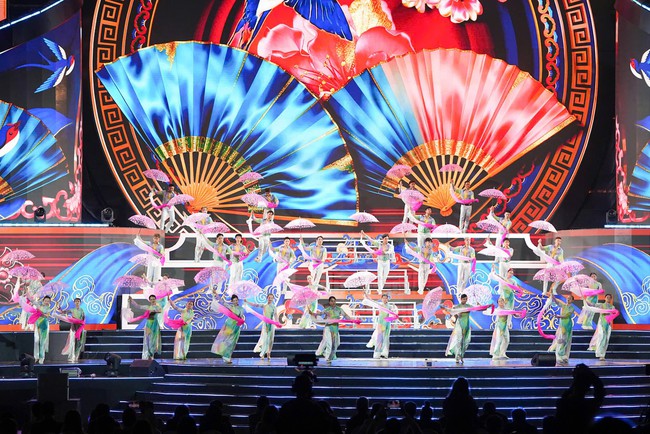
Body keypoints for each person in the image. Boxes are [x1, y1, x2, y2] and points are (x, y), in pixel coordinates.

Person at [555, 364, 605, 434]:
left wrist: (576, 382)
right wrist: (592, 376)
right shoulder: (589, 406)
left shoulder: (563, 403)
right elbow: (600, 393)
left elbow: (565, 395)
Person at [211, 294, 245, 364]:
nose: (235, 302)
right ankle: (225, 356)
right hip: (229, 325)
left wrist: (242, 320)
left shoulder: (241, 309)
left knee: (233, 342)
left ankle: (227, 356)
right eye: (234, 300)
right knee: (226, 340)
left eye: (236, 300)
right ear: (232, 301)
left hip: (236, 326)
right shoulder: (231, 307)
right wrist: (216, 295)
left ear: (238, 300)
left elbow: (241, 316)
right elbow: (223, 302)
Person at [315, 296, 350, 362]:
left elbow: (345, 315)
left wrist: (353, 320)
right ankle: (328, 358)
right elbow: (320, 313)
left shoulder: (339, 309)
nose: (333, 302)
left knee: (337, 343)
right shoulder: (327, 310)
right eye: (331, 301)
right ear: (329, 302)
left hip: (335, 328)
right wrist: (313, 313)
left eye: (334, 301)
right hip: (328, 327)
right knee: (329, 343)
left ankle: (325, 353)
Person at [129, 294, 162, 360]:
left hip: (155, 324)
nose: (152, 300)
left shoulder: (157, 307)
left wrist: (154, 310)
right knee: (148, 339)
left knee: (154, 339)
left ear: (155, 300)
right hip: (149, 324)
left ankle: (152, 354)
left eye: (153, 299)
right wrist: (131, 300)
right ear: (149, 300)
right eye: (151, 299)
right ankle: (148, 354)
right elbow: (138, 306)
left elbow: (160, 311)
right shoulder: (147, 307)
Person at [366, 294, 396, 359]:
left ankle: (384, 354)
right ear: (381, 299)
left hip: (387, 323)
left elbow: (393, 315)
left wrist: (392, 313)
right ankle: (377, 354)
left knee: (386, 338)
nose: (385, 299)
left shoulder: (390, 306)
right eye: (383, 298)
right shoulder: (380, 305)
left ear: (388, 299)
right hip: (380, 323)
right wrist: (366, 295)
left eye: (386, 298)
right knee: (379, 338)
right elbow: (372, 301)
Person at [444, 294, 472, 364]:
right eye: (464, 299)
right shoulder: (457, 307)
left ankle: (461, 356)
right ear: (461, 299)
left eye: (466, 299)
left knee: (465, 341)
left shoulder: (468, 306)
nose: (465, 300)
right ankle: (457, 357)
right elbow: (451, 311)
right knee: (459, 340)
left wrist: (486, 306)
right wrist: (447, 309)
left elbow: (478, 308)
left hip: (466, 325)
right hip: (459, 325)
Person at [548, 294, 575, 365]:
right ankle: (559, 354)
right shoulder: (563, 305)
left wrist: (558, 316)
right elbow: (557, 302)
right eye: (567, 298)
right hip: (562, 325)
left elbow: (566, 315)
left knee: (566, 340)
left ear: (572, 300)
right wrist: (553, 297)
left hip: (568, 325)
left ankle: (563, 355)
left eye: (570, 298)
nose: (568, 299)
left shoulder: (572, 308)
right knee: (561, 339)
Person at [587, 293, 615, 360]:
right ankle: (599, 353)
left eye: (609, 298)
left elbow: (612, 315)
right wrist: (586, 301)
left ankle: (602, 355)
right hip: (601, 323)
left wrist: (611, 324)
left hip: (607, 324)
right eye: (607, 297)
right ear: (605, 298)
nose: (608, 299)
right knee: (601, 337)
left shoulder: (612, 307)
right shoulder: (601, 305)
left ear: (611, 299)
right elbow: (592, 305)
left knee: (606, 339)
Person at [252, 293, 278, 360]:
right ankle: (263, 353)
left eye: (271, 298)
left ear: (273, 299)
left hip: (271, 325)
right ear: (267, 298)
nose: (270, 299)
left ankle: (269, 353)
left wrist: (277, 323)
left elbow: (276, 316)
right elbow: (256, 305)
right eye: (269, 297)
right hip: (265, 324)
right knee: (264, 338)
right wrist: (247, 302)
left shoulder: (274, 307)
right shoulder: (264, 306)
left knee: (270, 339)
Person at [61, 297, 86, 363]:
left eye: (78, 301)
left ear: (80, 303)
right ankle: (72, 356)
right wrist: (60, 309)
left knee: (79, 343)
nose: (77, 302)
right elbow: (64, 312)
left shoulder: (82, 310)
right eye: (76, 301)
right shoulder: (72, 310)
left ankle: (76, 355)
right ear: (74, 303)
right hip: (74, 327)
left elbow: (84, 318)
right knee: (73, 342)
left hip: (80, 328)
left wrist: (82, 324)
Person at [33, 295, 54, 364]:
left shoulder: (48, 308)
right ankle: (36, 357)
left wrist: (40, 312)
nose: (46, 302)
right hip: (37, 325)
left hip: (44, 326)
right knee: (36, 341)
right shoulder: (39, 307)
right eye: (45, 301)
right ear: (43, 301)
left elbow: (46, 315)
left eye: (48, 301)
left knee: (42, 342)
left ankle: (41, 358)